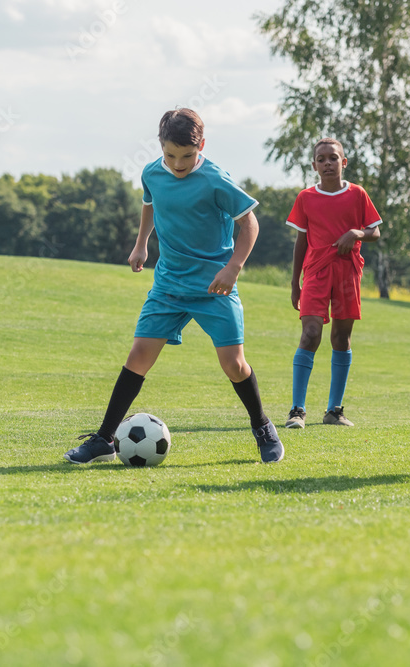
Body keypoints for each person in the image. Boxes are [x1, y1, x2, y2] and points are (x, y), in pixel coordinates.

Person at [64, 108, 284, 465]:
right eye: (170, 155)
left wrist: (234, 268)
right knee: (138, 357)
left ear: (201, 147)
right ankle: (104, 439)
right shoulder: (151, 173)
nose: (178, 163)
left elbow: (251, 225)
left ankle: (262, 426)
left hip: (215, 285)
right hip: (168, 284)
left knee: (234, 364)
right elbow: (150, 204)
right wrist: (141, 244)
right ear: (160, 147)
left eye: (187, 155)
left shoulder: (215, 180)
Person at [284, 138, 382, 429]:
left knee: (341, 338)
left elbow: (374, 231)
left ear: (344, 162)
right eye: (321, 159)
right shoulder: (306, 198)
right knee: (311, 333)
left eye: (333, 158)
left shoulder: (357, 194)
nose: (327, 163)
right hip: (315, 273)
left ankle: (333, 411)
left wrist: (356, 233)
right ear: (314, 165)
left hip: (348, 273)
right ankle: (297, 410)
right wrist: (294, 283)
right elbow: (300, 241)